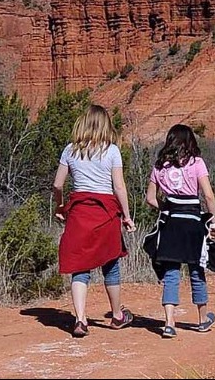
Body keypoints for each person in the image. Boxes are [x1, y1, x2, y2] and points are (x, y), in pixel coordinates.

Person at [52, 104, 136, 337]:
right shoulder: (112, 151)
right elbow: (119, 186)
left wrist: (60, 206)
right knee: (111, 263)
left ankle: (80, 320)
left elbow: (58, 184)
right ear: (105, 124)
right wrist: (127, 216)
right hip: (106, 213)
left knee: (80, 266)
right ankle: (117, 316)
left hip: (79, 213)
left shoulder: (70, 150)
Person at [145, 124, 215, 339]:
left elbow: (150, 199)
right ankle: (203, 319)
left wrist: (168, 207)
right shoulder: (197, 163)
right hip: (193, 223)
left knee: (171, 273)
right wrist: (212, 221)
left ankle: (169, 323)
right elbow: (209, 196)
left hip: (170, 224)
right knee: (197, 271)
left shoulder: (159, 166)